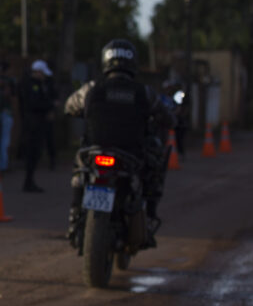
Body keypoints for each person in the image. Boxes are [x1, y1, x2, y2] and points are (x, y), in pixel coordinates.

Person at [62, 39, 174, 246]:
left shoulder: (92, 88)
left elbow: (69, 106)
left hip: (95, 152)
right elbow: (167, 117)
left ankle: (74, 219)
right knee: (154, 173)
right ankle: (149, 217)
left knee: (79, 173)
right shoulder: (144, 92)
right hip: (130, 156)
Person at [17, 59, 57, 192]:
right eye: (43, 73)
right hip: (33, 124)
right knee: (32, 152)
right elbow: (33, 103)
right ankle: (28, 182)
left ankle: (29, 181)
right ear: (38, 72)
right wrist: (50, 105)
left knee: (36, 153)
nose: (44, 76)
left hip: (37, 123)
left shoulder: (39, 84)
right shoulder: (31, 84)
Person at [0, 62, 15, 172]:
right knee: (4, 140)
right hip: (4, 112)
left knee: (2, 140)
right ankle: (3, 165)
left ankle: (2, 164)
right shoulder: (4, 81)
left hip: (1, 113)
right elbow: (7, 94)